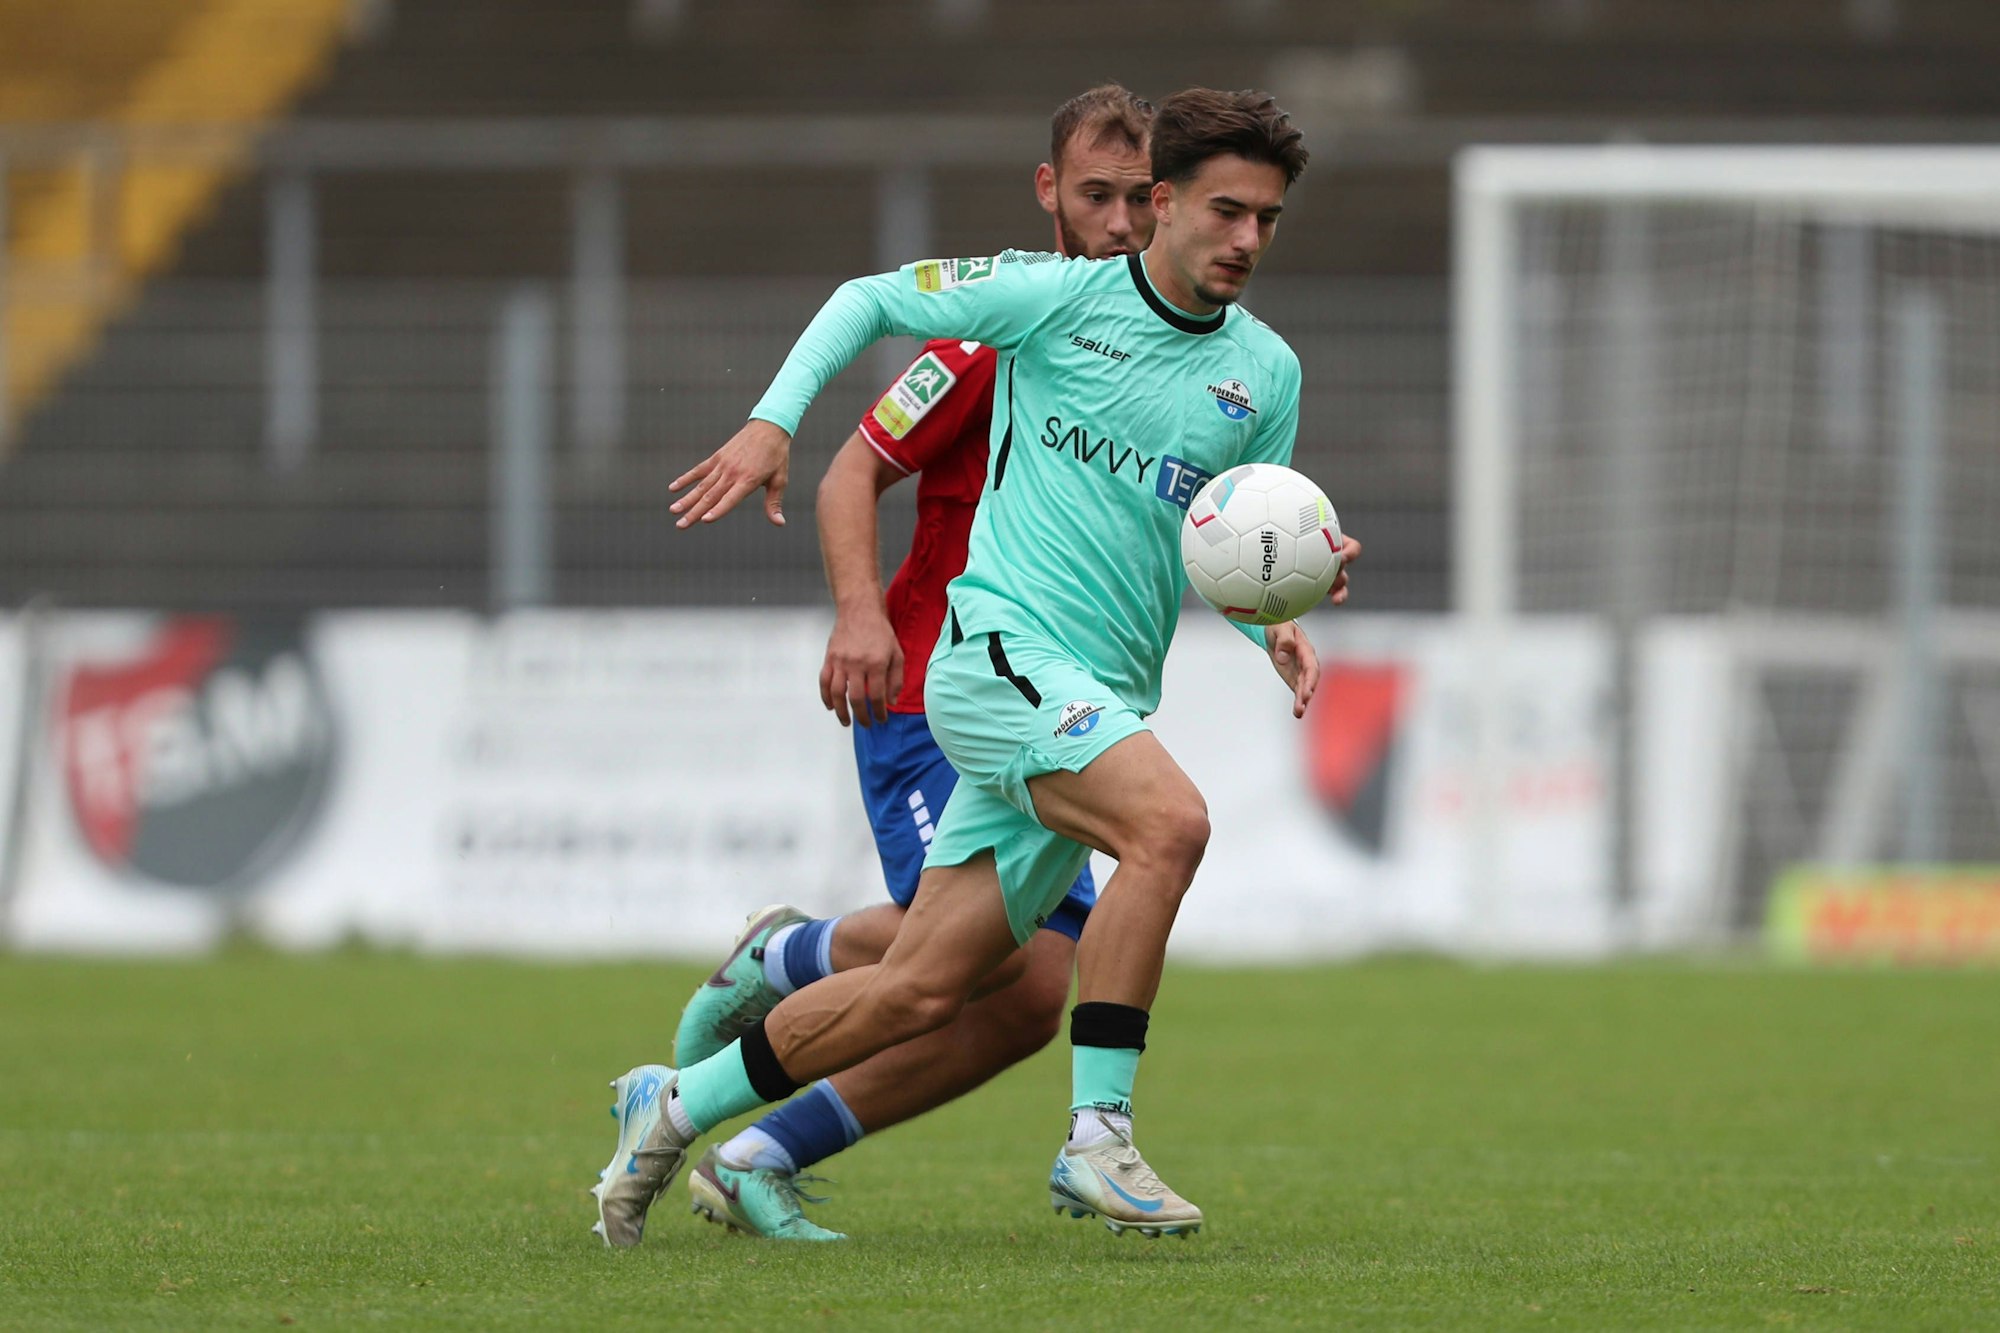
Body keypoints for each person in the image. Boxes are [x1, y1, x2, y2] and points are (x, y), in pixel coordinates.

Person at [592, 87, 1360, 1250]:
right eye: (1224, 211)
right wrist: (771, 421)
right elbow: (866, 298)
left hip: (1093, 694)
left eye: (1266, 219)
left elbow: (1223, 538)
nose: (1247, 240)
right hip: (995, 657)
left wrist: (1276, 618)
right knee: (1170, 825)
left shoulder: (1265, 376)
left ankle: (677, 1103)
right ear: (1162, 206)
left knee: (919, 987)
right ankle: (1098, 1136)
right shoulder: (1046, 301)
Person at [668, 83, 1159, 1245]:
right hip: (941, 688)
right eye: (1096, 196)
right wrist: (860, 616)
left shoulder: (1141, 359)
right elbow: (851, 474)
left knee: (1028, 997)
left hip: (1052, 693)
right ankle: (778, 965)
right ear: (1048, 193)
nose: (1119, 224)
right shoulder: (995, 337)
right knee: (988, 965)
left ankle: (759, 1147)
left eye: (1140, 200)